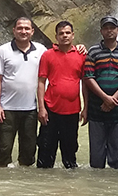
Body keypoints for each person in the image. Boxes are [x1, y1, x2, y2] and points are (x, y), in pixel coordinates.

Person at [82, 15, 118, 170]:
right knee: (97, 156)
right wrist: (105, 98)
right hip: (96, 110)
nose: (109, 30)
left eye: (112, 28)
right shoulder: (93, 51)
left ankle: (117, 190)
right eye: (106, 28)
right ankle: (98, 190)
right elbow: (88, 77)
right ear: (101, 31)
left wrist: (113, 99)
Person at [0, 16, 45, 167]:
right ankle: (2, 184)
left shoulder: (41, 50)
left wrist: (80, 47)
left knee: (28, 152)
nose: (23, 31)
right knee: (3, 150)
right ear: (13, 30)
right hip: (7, 109)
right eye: (20, 28)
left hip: (31, 109)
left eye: (27, 28)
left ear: (32, 31)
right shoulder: (3, 50)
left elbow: (58, 54)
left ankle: (23, 186)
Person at [36, 20, 86, 168]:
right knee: (45, 150)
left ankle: (69, 188)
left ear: (73, 35)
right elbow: (41, 82)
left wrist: (86, 108)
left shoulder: (81, 55)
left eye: (67, 33)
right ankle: (43, 186)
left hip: (72, 111)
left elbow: (85, 84)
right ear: (56, 36)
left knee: (70, 153)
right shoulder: (47, 55)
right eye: (61, 33)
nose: (64, 36)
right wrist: (41, 108)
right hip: (50, 109)